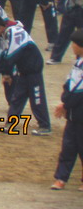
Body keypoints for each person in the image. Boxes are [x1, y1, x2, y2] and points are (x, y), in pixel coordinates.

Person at [0, 14, 52, 136]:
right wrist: (5, 73)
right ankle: (11, 123)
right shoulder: (5, 35)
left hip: (33, 68)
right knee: (17, 97)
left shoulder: (14, 32)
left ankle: (45, 126)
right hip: (23, 70)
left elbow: (10, 54)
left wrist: (6, 73)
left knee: (36, 98)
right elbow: (3, 56)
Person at [50, 28, 83, 191]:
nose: (72, 47)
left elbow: (79, 91)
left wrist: (66, 104)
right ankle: (61, 178)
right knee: (68, 147)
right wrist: (64, 102)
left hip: (80, 112)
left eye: (74, 44)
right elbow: (69, 84)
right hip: (73, 114)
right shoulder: (78, 63)